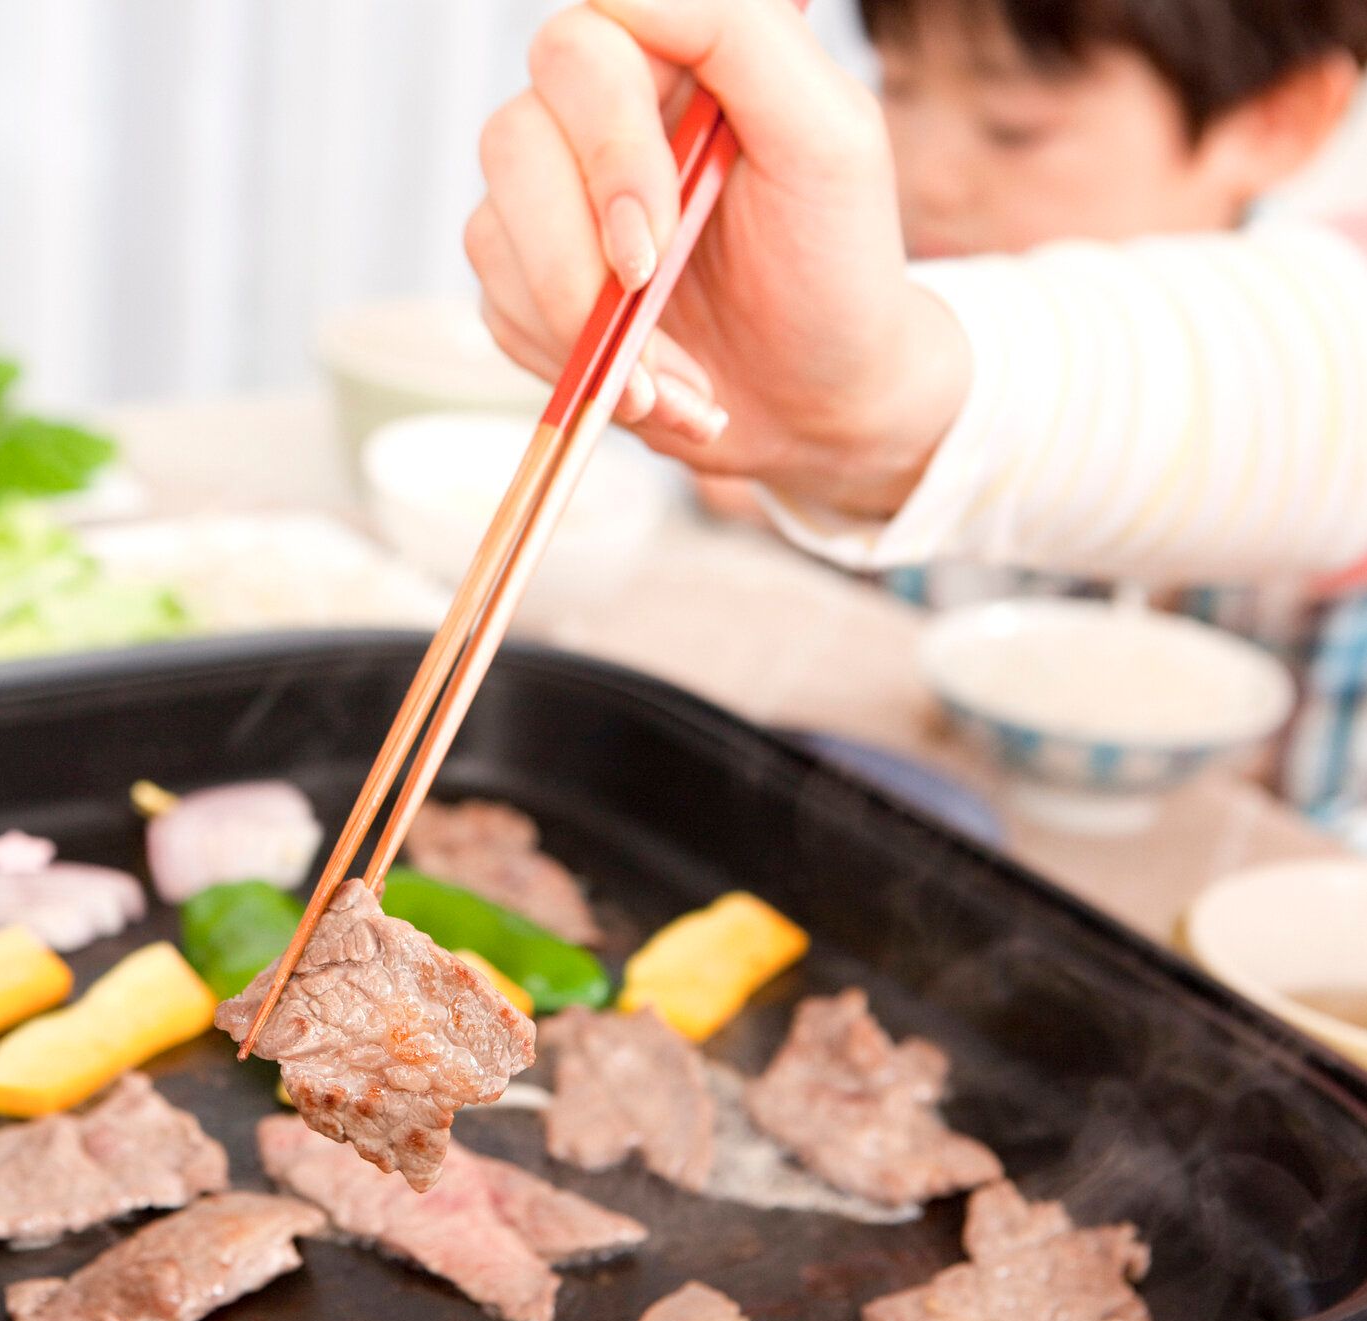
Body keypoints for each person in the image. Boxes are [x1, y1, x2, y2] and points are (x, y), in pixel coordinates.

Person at [466, 0, 1367, 843]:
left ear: (1277, 119)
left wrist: (881, 406)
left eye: (1014, 126)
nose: (922, 176)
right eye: (896, 86)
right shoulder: (863, 288)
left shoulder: (1313, 361)